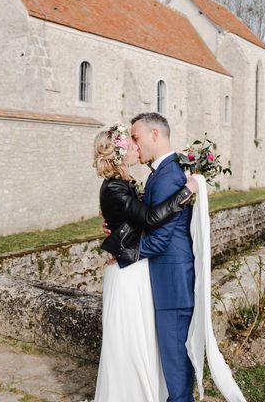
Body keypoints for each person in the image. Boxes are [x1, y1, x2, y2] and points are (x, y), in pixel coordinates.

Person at [92, 123, 198, 402]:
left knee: (142, 343)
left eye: (136, 140)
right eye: (130, 143)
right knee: (130, 344)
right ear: (118, 152)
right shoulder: (115, 187)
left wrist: (117, 232)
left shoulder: (126, 184)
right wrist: (186, 191)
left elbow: (140, 220)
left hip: (140, 271)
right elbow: (150, 219)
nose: (136, 147)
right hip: (129, 270)